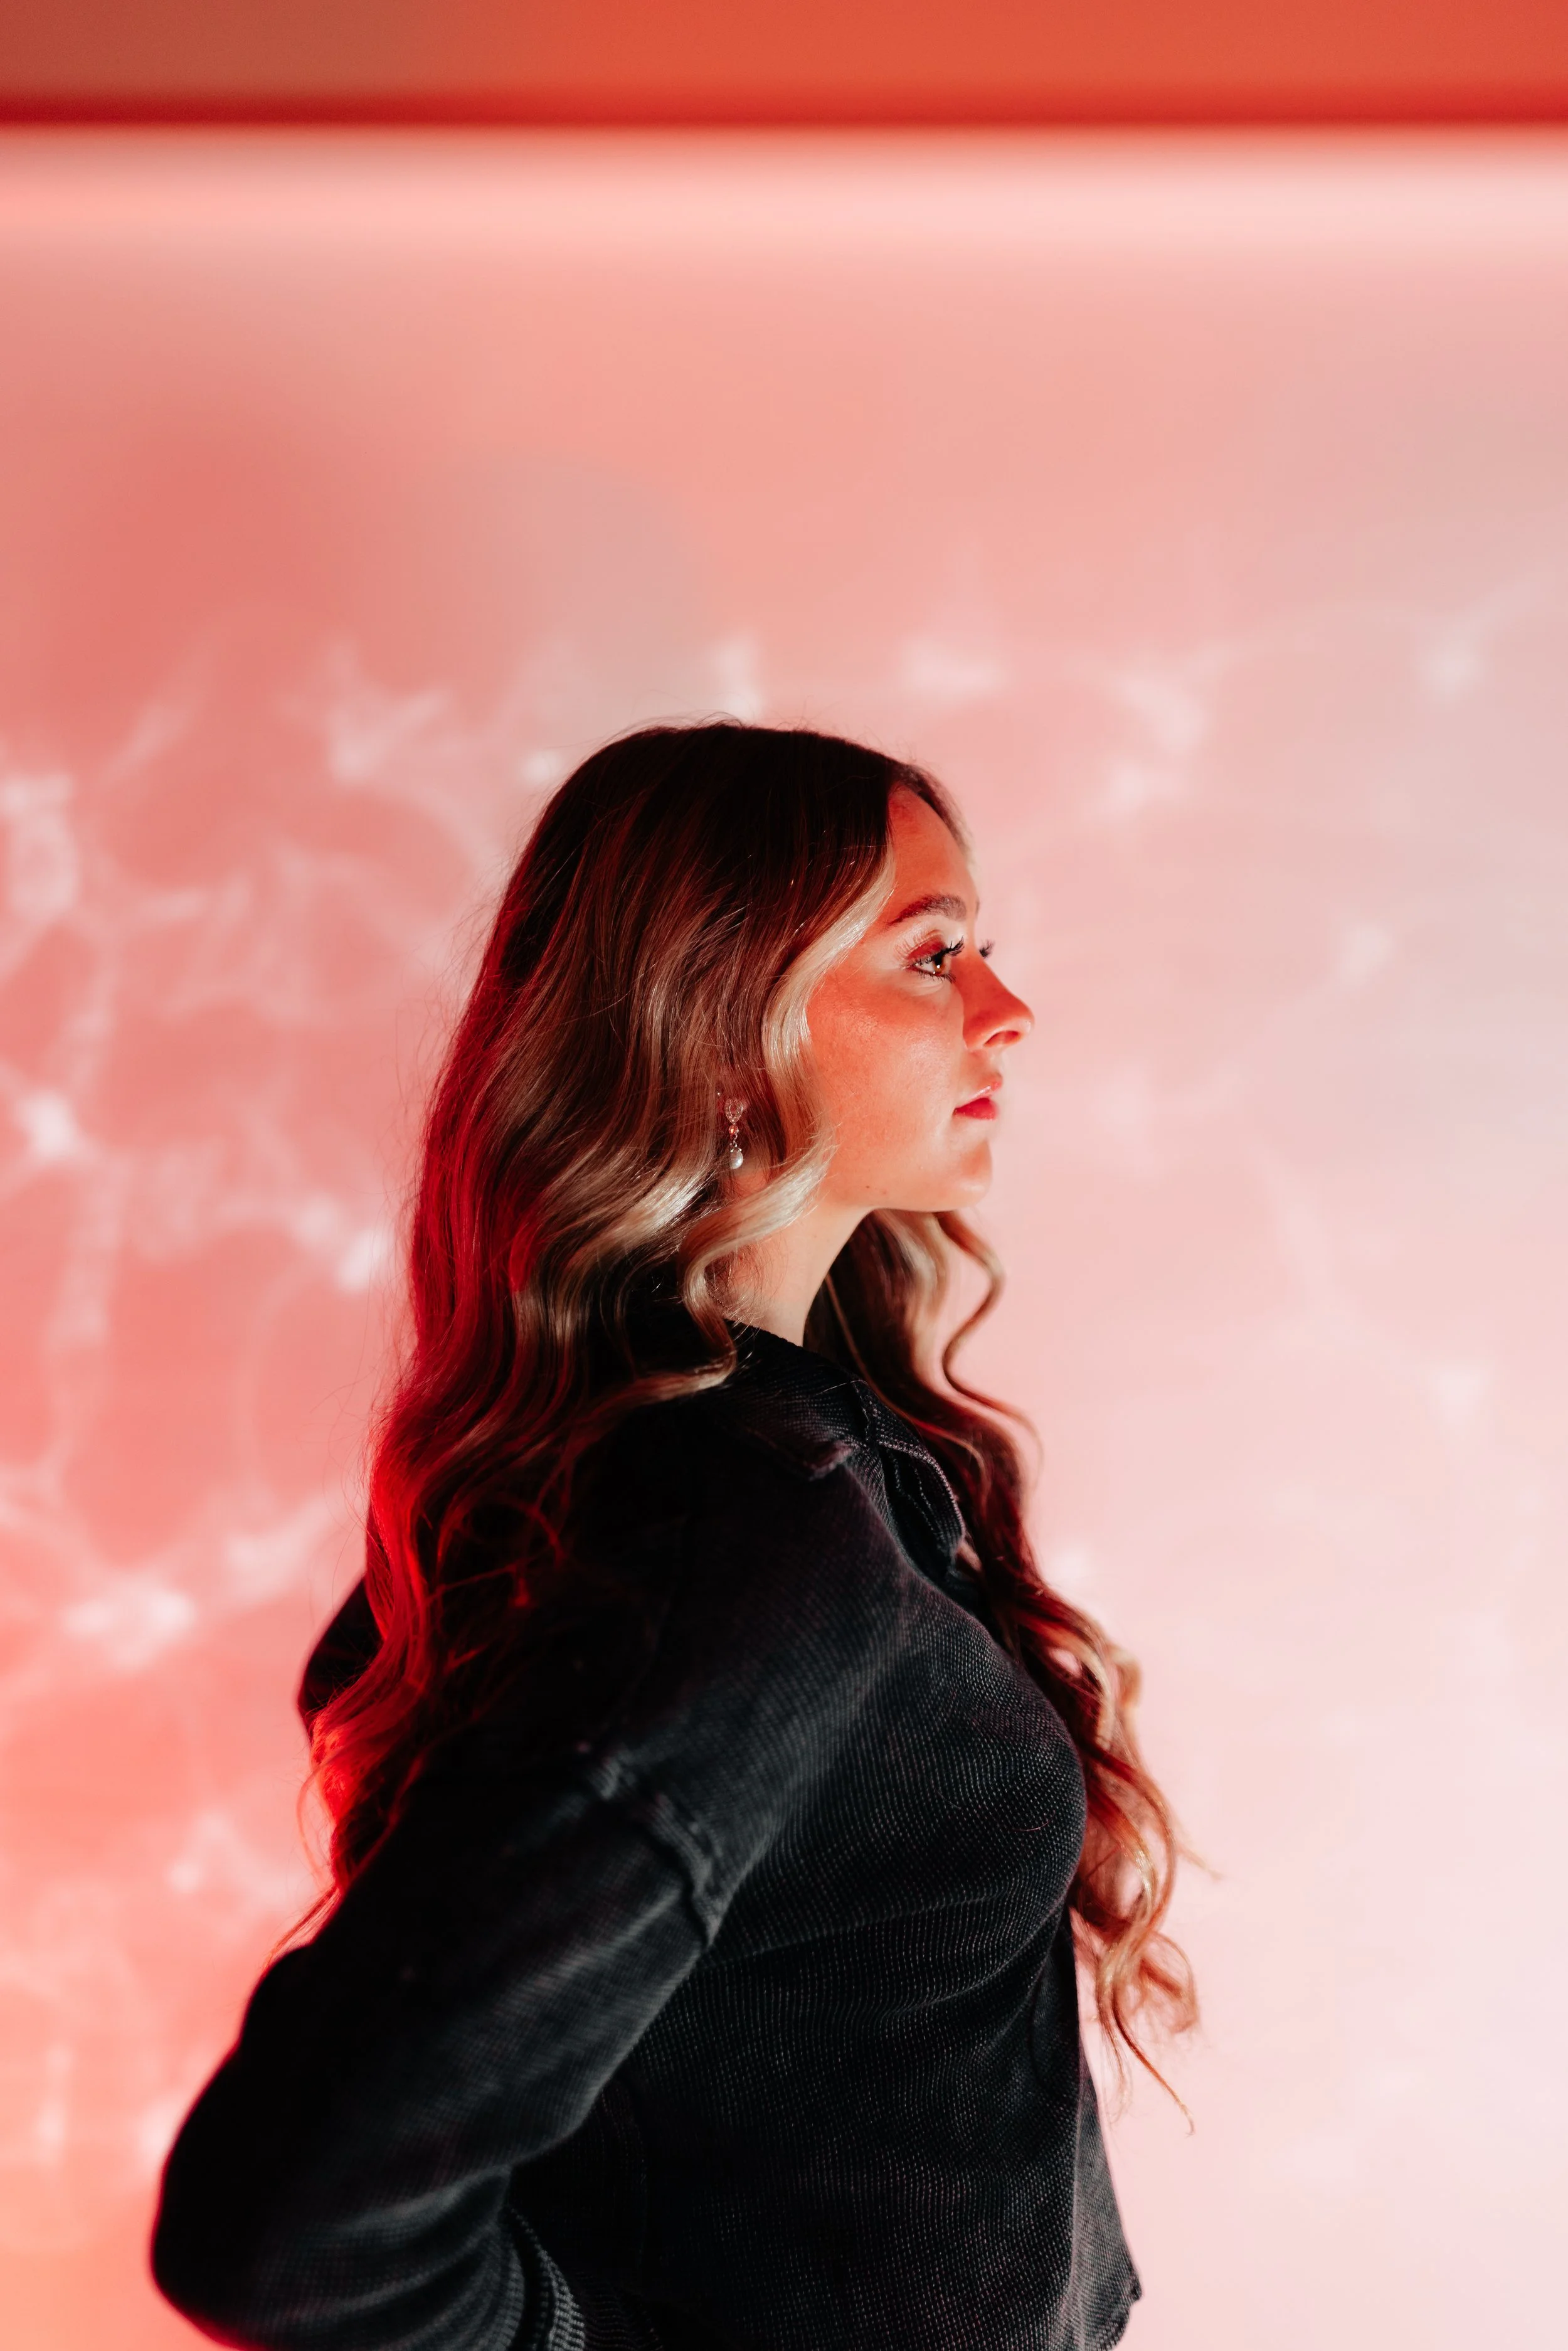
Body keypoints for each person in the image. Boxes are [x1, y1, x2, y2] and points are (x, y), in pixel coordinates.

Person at [151, 721, 1197, 2351]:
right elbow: (294, 2229)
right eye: (934, 954)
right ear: (720, 1023)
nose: (1007, 1008)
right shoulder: (738, 1530)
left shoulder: (801, 1477)